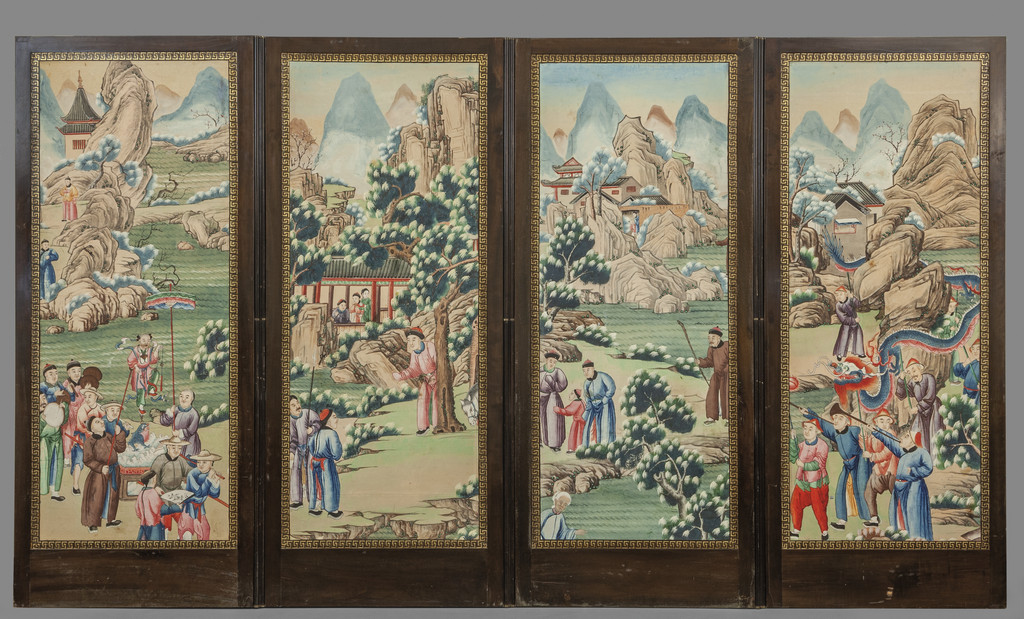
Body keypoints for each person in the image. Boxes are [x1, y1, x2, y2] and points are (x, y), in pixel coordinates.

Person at [802, 403, 872, 529]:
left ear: (847, 421)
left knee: (860, 487)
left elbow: (867, 441)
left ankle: (869, 518)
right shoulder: (835, 433)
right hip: (847, 464)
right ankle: (841, 521)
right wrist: (808, 413)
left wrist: (866, 431)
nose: (836, 420)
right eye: (834, 418)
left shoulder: (854, 430)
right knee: (840, 489)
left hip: (859, 462)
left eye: (840, 418)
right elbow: (821, 422)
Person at [871, 427, 934, 540]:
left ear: (913, 440)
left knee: (912, 512)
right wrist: (876, 431)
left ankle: (916, 538)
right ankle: (900, 536)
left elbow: (928, 468)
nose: (902, 438)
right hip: (898, 487)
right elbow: (890, 440)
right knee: (896, 512)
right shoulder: (902, 451)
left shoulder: (922, 452)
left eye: (906, 436)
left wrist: (914, 471)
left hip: (914, 487)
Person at [81, 416, 126, 532]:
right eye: (97, 422)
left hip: (113, 471)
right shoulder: (89, 442)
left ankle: (110, 520)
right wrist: (100, 468)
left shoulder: (109, 436)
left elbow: (120, 448)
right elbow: (87, 460)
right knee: (96, 498)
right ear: (92, 428)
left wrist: (119, 434)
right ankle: (93, 523)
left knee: (111, 496)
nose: (102, 423)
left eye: (101, 421)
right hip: (98, 475)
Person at [392, 327, 439, 435]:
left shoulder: (430, 347)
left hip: (438, 378)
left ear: (420, 339)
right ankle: (423, 427)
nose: (411, 342)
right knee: (422, 398)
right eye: (409, 340)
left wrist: (436, 375)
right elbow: (413, 369)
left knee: (436, 400)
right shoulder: (414, 353)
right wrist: (401, 376)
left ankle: (437, 425)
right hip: (427, 379)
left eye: (414, 339)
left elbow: (439, 362)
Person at [790, 418, 830, 541]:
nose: (807, 431)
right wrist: (793, 440)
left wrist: (803, 465)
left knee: (819, 509)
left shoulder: (822, 445)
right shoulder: (801, 445)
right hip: (802, 481)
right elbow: (793, 457)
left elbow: (818, 464)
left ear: (817, 431)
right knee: (795, 504)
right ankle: (796, 530)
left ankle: (824, 531)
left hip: (817, 483)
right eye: (805, 428)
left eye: (810, 429)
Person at [895, 358, 945, 456]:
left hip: (934, 409)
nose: (912, 374)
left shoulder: (929, 378)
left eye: (914, 370)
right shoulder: (912, 383)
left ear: (920, 369)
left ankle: (937, 457)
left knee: (935, 433)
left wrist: (918, 408)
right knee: (922, 435)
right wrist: (901, 380)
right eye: (909, 372)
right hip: (923, 412)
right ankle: (926, 457)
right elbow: (901, 395)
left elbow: (930, 396)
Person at [861, 409, 899, 527]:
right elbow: (868, 449)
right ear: (876, 422)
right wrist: (863, 437)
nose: (884, 424)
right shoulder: (874, 435)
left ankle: (901, 521)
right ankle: (874, 519)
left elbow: (887, 453)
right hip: (879, 470)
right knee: (869, 491)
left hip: (892, 469)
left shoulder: (891, 435)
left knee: (897, 495)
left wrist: (872, 456)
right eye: (881, 421)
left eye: (887, 421)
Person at [149, 436, 193, 534]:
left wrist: (202, 472)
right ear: (168, 447)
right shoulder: (160, 459)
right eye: (173, 447)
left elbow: (190, 472)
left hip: (178, 493)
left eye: (179, 448)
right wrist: (156, 487)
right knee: (165, 522)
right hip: (162, 493)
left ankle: (183, 535)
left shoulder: (181, 460)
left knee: (184, 520)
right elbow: (153, 476)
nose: (176, 450)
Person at [307, 408, 344, 518]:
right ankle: (332, 511)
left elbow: (311, 447)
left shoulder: (316, 433)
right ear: (327, 420)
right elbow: (337, 454)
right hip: (326, 463)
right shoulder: (332, 434)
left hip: (314, 462)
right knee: (330, 485)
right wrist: (333, 456)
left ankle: (314, 507)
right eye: (334, 417)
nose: (337, 420)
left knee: (316, 484)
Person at [180, 450, 222, 540]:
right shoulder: (192, 474)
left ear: (211, 463)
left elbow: (215, 494)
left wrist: (215, 482)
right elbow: (198, 493)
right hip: (189, 507)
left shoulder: (211, 473)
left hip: (200, 507)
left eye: (204, 462)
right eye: (199, 462)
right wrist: (209, 479)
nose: (201, 465)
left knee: (205, 530)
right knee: (186, 531)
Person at [72, 378, 104, 495]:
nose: (87, 399)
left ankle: (96, 486)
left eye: (90, 396)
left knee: (98, 461)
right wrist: (90, 433)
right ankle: (75, 485)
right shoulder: (82, 408)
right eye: (85, 397)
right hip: (83, 438)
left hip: (97, 439)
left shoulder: (100, 409)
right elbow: (81, 426)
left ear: (96, 397)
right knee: (79, 461)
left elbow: (104, 422)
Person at [288, 395, 321, 509]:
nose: (297, 406)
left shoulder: (309, 413)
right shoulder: (290, 420)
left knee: (310, 471)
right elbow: (293, 438)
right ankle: (297, 500)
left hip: (311, 446)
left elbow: (318, 424)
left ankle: (313, 498)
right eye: (293, 405)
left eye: (297, 403)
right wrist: (292, 451)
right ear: (288, 409)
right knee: (295, 470)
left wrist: (312, 429)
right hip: (299, 447)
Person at [697, 327, 730, 424]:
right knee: (712, 393)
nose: (710, 340)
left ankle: (729, 418)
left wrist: (727, 369)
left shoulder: (727, 345)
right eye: (709, 338)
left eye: (713, 337)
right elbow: (710, 362)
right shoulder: (711, 349)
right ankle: (711, 417)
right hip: (717, 374)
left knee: (727, 394)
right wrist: (700, 362)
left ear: (719, 338)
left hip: (728, 374)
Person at [581, 360, 616, 446]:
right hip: (593, 405)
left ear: (593, 368)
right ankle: (587, 446)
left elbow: (611, 388)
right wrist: (587, 410)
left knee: (605, 425)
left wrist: (605, 399)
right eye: (584, 371)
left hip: (605, 404)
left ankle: (607, 446)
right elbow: (587, 397)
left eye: (588, 370)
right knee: (590, 426)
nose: (586, 373)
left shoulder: (603, 376)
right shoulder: (586, 383)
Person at [539, 350, 568, 451]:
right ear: (546, 360)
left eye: (554, 362)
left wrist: (552, 383)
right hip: (540, 397)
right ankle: (540, 441)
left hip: (552, 397)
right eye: (550, 361)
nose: (552, 364)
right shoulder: (539, 370)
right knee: (540, 419)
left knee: (552, 420)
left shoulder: (558, 372)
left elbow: (562, 385)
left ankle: (554, 444)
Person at [127, 334, 161, 419]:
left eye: (148, 341)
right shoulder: (135, 350)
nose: (146, 342)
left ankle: (151, 389)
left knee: (156, 373)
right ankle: (141, 406)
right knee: (141, 389)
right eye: (144, 340)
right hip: (138, 372)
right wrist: (135, 366)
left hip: (147, 370)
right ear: (139, 340)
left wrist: (156, 349)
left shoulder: (149, 350)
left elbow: (153, 360)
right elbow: (130, 360)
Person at [159, 389, 201, 457]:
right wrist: (170, 413)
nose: (183, 399)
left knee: (187, 459)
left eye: (187, 397)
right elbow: (165, 422)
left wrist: (180, 432)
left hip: (190, 442)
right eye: (181, 396)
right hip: (176, 440)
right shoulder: (176, 409)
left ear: (192, 399)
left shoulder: (194, 414)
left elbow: (192, 430)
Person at [39, 401, 68, 501]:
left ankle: (55, 492)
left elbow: (64, 420)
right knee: (44, 467)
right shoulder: (40, 418)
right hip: (45, 445)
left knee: (56, 466)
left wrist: (65, 408)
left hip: (57, 444)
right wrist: (43, 420)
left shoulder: (54, 411)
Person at [554, 389, 597, 454]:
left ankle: (574, 449)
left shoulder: (576, 402)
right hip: (581, 421)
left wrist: (558, 409)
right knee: (579, 435)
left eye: (572, 394)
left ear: (576, 395)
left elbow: (569, 411)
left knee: (575, 435)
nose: (570, 395)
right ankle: (578, 448)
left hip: (578, 421)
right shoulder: (581, 401)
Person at [60, 361, 85, 463]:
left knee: (82, 434)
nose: (77, 374)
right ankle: (67, 457)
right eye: (73, 371)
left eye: (79, 371)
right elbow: (66, 400)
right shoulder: (65, 385)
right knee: (68, 434)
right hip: (70, 414)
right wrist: (70, 393)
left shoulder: (83, 383)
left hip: (81, 413)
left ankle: (81, 455)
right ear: (68, 373)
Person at [832, 286, 866, 359]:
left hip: (855, 325)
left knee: (858, 337)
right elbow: (843, 319)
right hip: (846, 326)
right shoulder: (838, 306)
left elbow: (858, 305)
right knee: (843, 340)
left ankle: (860, 352)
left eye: (841, 294)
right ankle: (840, 354)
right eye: (837, 295)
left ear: (846, 294)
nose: (839, 296)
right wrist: (854, 320)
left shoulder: (850, 300)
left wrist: (853, 298)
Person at [135, 470, 165, 541]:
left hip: (143, 524)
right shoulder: (152, 492)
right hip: (154, 524)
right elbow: (159, 509)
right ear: (153, 480)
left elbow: (137, 510)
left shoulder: (141, 492)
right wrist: (176, 507)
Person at [953, 339, 981, 404]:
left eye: (978, 349)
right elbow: (957, 373)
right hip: (966, 393)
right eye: (973, 349)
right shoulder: (972, 363)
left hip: (977, 395)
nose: (975, 351)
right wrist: (964, 364)